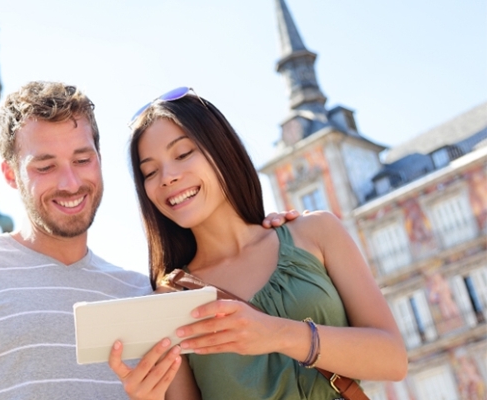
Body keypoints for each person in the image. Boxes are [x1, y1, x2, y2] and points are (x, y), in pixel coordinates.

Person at [0, 81, 297, 399]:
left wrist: (268, 230)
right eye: (45, 166)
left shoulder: (144, 293)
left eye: (82, 160)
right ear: (11, 175)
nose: (71, 182)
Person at [109, 87, 408, 399]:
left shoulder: (316, 232)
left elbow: (393, 359)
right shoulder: (170, 298)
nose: (167, 177)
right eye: (150, 171)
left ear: (221, 150)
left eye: (183, 154)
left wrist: (279, 334)